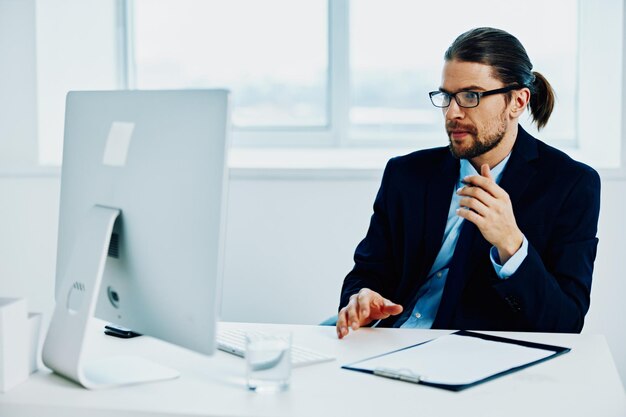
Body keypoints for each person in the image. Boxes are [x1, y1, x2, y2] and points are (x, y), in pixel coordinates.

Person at [336, 27, 601, 339]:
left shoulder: (571, 185)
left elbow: (565, 323)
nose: (452, 113)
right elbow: (367, 273)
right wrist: (363, 298)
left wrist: (511, 245)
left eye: (470, 96)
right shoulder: (406, 174)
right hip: (390, 343)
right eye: (447, 96)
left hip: (480, 361)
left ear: (517, 101)